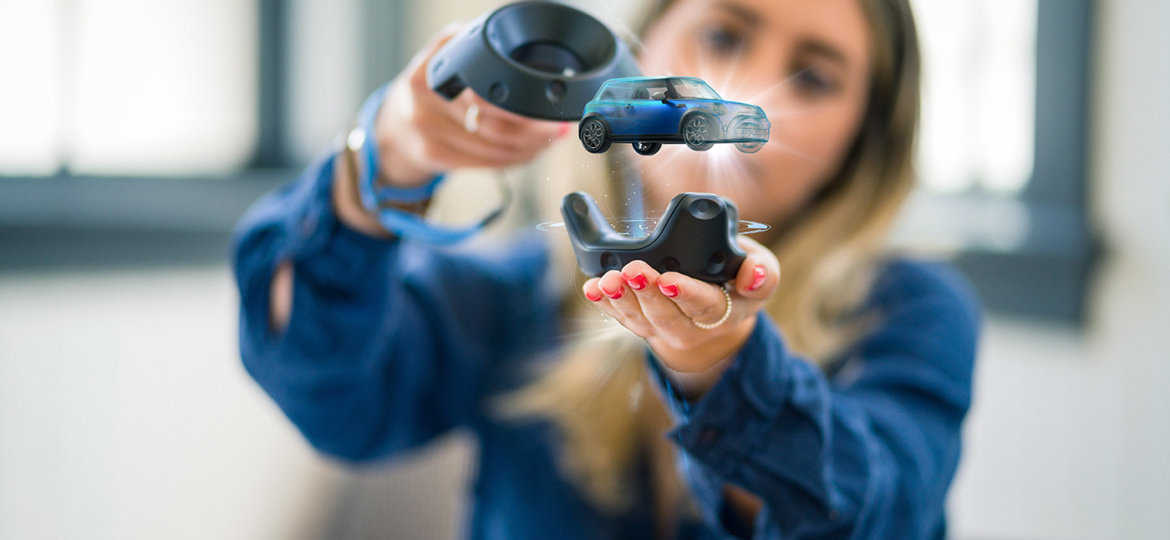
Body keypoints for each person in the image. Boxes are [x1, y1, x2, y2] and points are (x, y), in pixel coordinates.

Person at [232, 0, 980, 537]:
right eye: (722, 31)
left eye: (813, 78)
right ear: (644, 48)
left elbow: (877, 513)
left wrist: (720, 369)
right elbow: (326, 389)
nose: (744, 80)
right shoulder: (521, 293)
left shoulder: (910, 311)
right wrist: (383, 158)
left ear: (863, 137)